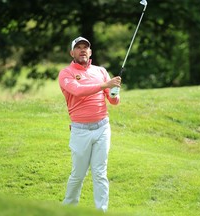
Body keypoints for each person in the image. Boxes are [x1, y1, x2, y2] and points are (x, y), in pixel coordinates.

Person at [58, 36, 121, 212]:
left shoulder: (101, 71)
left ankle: (101, 211)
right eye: (78, 47)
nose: (83, 50)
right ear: (72, 53)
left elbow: (113, 101)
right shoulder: (66, 73)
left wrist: (115, 91)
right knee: (78, 175)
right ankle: (68, 209)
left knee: (100, 174)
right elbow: (77, 91)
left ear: (90, 52)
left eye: (86, 47)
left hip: (102, 128)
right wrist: (105, 85)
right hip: (80, 130)